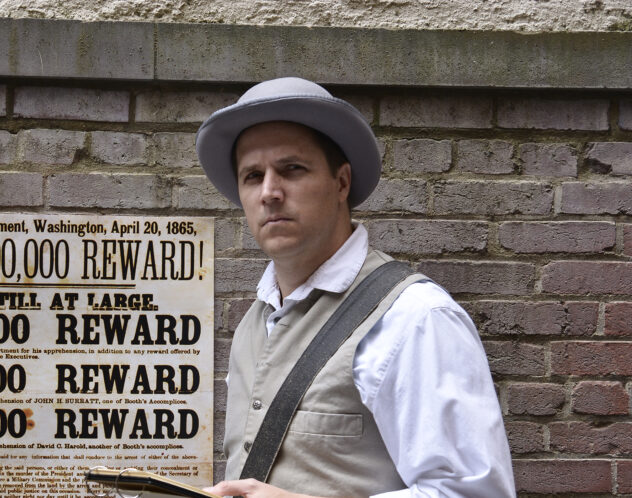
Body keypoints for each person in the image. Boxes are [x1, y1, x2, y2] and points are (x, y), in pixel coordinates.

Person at [194, 77, 515, 498]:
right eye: (253, 176)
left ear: (341, 183)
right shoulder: (253, 328)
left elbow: (477, 493)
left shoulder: (414, 317)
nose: (270, 192)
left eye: (292, 169)